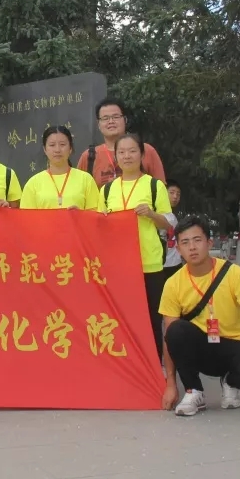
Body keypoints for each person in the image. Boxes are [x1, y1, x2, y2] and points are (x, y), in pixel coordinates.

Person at [159, 217, 240, 416]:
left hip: (238, 342)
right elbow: (169, 338)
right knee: (175, 331)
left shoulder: (233, 273)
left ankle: (230, 380)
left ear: (209, 243)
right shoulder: (173, 283)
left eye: (197, 240)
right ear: (178, 249)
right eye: (185, 242)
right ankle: (193, 390)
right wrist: (170, 384)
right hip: (205, 348)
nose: (192, 247)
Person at [100, 133, 173, 359]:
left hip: (148, 263)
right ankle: (128, 366)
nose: (127, 156)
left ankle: (154, 366)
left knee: (151, 319)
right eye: (121, 152)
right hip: (118, 266)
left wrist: (151, 214)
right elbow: (97, 227)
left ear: (142, 155)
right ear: (115, 157)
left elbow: (170, 223)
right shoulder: (107, 190)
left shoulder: (154, 185)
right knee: (122, 319)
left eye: (132, 151)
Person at [76, 97, 166, 187]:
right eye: (105, 118)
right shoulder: (88, 157)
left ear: (125, 120)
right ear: (98, 124)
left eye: (115, 117)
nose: (111, 121)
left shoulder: (146, 150)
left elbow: (160, 189)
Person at [20, 126, 100, 210]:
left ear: (70, 148)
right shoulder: (33, 184)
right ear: (45, 149)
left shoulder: (86, 179)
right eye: (52, 145)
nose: (57, 150)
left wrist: (80, 215)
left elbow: (95, 215)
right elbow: (26, 217)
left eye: (62, 144)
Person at [163, 181, 183, 278]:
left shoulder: (172, 215)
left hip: (175, 262)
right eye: (172, 192)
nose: (175, 197)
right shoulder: (156, 214)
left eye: (178, 194)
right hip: (162, 265)